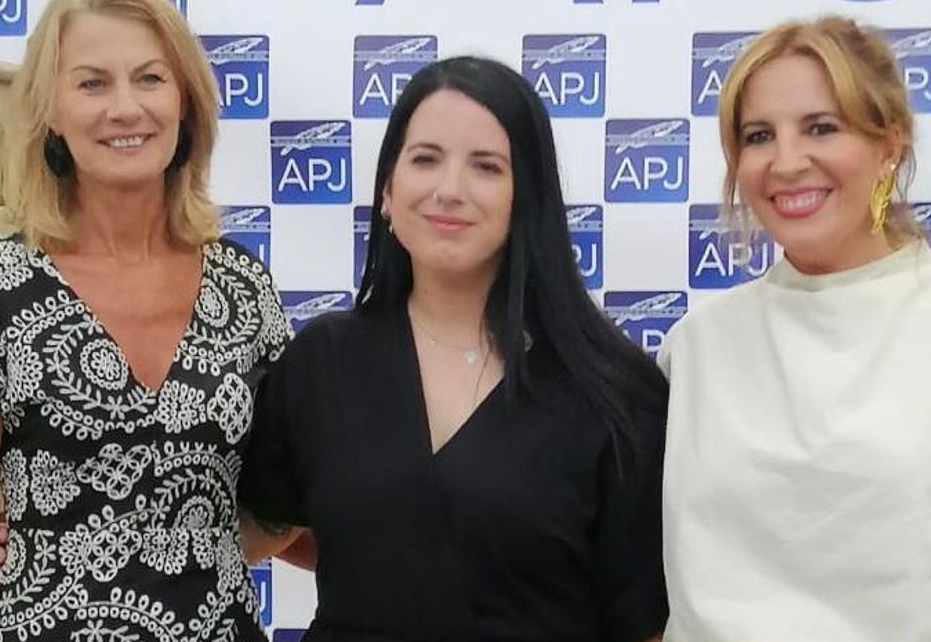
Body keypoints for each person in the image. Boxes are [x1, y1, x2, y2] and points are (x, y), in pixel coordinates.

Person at [658, 17, 931, 641]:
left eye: (821, 128)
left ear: (891, 145)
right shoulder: (694, 349)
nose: (787, 161)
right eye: (758, 136)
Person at [0, 0, 287, 642]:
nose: (124, 108)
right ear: (49, 109)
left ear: (186, 101)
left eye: (149, 78)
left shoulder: (244, 290)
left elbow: (283, 506)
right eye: (91, 83)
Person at [238, 56, 670, 642]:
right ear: (388, 191)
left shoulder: (614, 392)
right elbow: (258, 529)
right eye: (425, 160)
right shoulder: (320, 364)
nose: (449, 190)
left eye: (487, 167)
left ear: (527, 200)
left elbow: (640, 620)